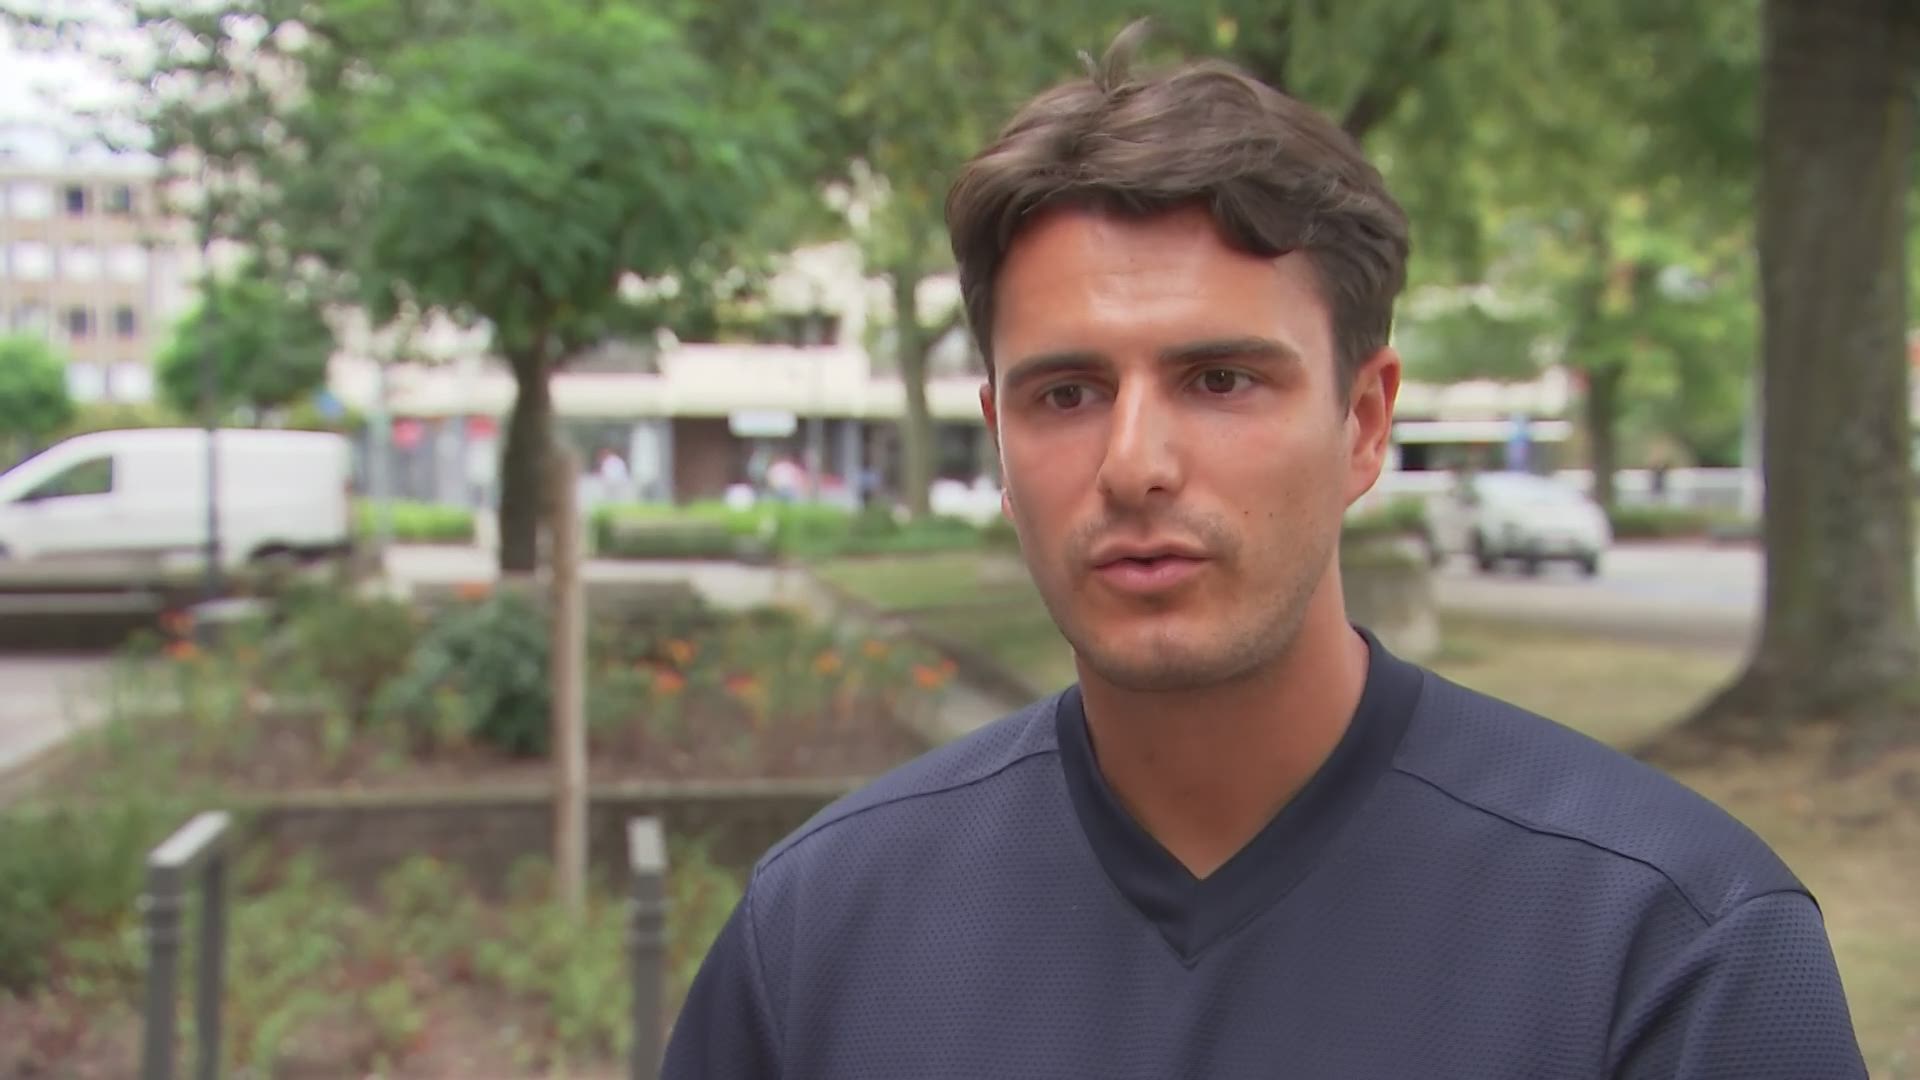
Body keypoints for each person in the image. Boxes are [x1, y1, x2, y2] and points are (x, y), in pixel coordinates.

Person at [662, 22, 1865, 1079]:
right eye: (1068, 393)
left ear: (1365, 422)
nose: (1134, 463)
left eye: (1221, 379)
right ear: (999, 438)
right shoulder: (818, 938)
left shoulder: (1666, 948)